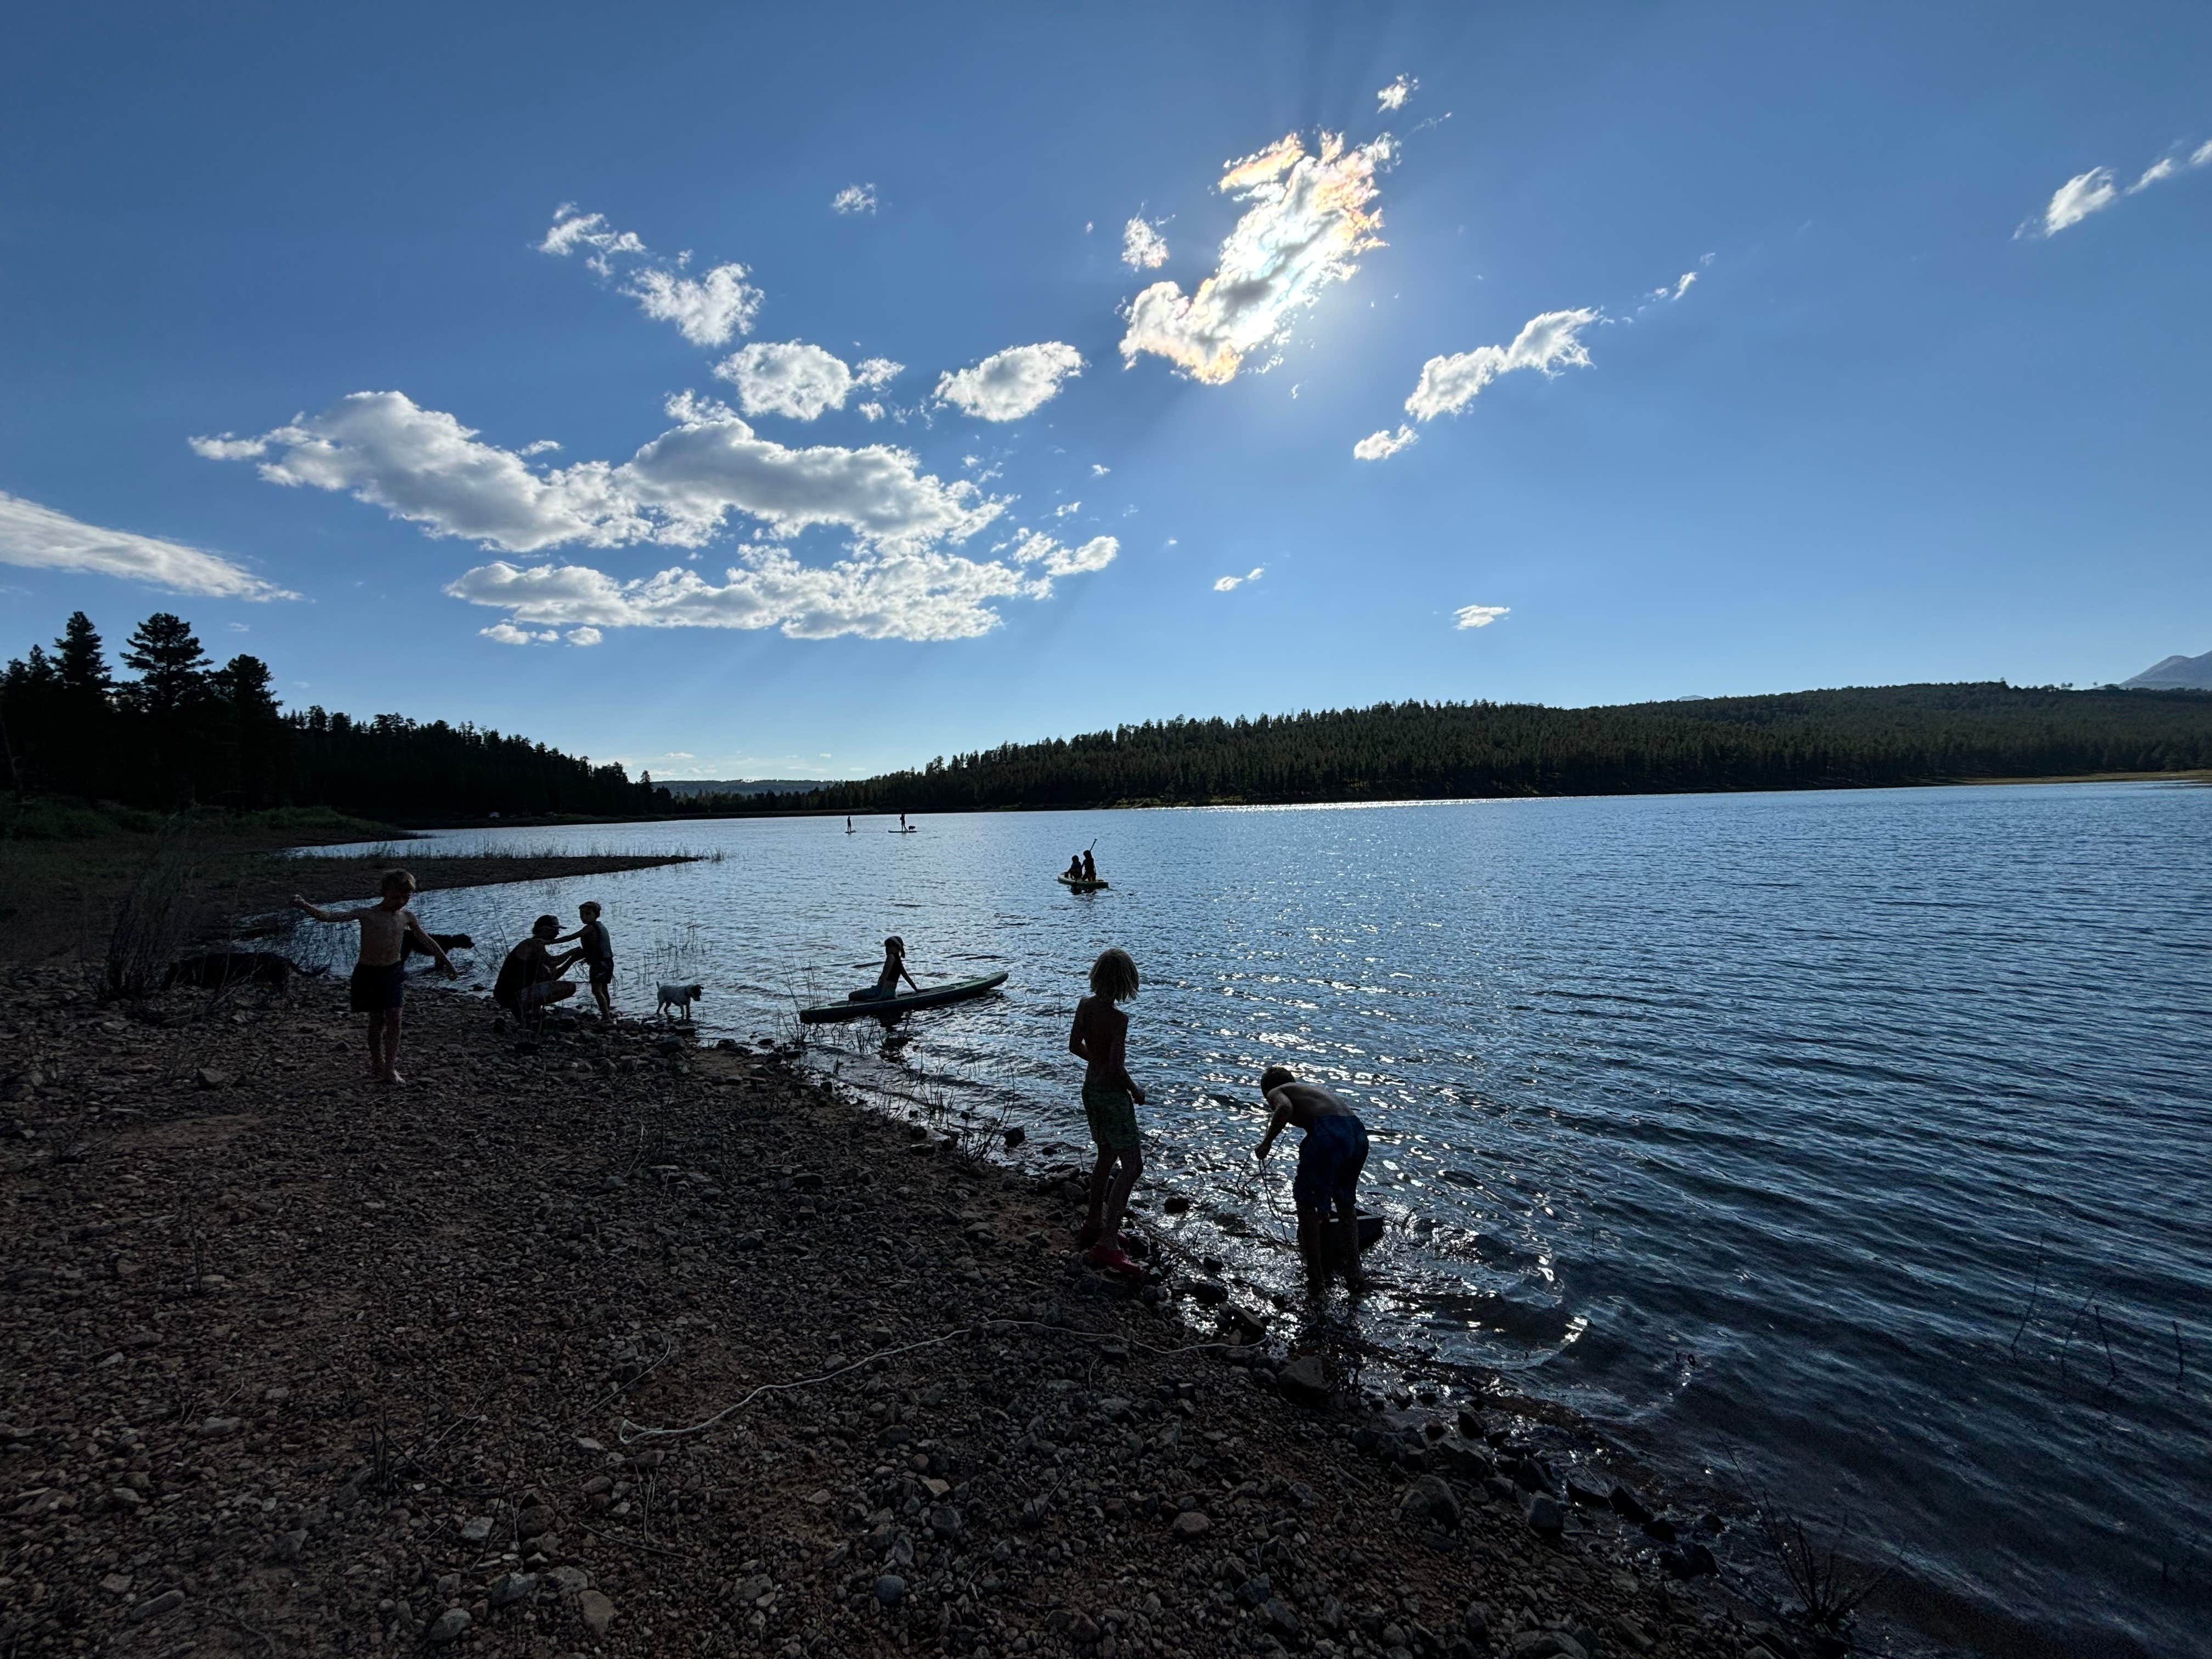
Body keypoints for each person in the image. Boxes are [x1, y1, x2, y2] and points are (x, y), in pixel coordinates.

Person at [291, 869, 457, 1086]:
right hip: (368, 973)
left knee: (395, 1019)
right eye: (395, 897)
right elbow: (330, 917)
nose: (400, 902)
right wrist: (304, 905)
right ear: (384, 893)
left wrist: (448, 963)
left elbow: (427, 941)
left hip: (393, 972)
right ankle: (377, 1062)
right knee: (377, 1022)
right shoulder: (367, 914)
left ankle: (390, 1068)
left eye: (406, 897)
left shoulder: (407, 917)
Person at [1255, 1065, 1371, 1291]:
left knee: (1306, 1203)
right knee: (1346, 1204)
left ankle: (1315, 1277)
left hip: (1330, 1133)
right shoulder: (1310, 1090)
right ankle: (1355, 1273)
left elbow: (1285, 1109)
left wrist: (1267, 1142)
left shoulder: (1276, 1091)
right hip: (1358, 1134)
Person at [1069, 947, 1145, 1271]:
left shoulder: (1085, 1006)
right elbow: (1116, 1068)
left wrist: (1095, 1060)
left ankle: (1094, 1223)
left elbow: (1075, 1046)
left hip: (1091, 1090)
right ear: (1126, 983)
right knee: (1132, 1166)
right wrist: (1135, 1089)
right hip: (1113, 1096)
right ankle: (1108, 1243)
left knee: (1104, 1157)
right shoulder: (1118, 1020)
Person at [494, 915, 584, 1019]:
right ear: (545, 930)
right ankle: (528, 1011)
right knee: (570, 987)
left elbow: (551, 978)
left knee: (548, 982)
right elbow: (553, 962)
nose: (558, 933)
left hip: (506, 996)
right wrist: (572, 953)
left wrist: (572, 960)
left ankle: (531, 1012)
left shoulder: (534, 949)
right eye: (556, 930)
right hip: (510, 996)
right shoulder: (534, 944)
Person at [555, 900, 614, 1020]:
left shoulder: (590, 928)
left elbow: (572, 937)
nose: (584, 917)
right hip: (608, 962)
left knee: (597, 990)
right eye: (582, 915)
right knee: (604, 989)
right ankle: (607, 1012)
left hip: (599, 963)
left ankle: (606, 1017)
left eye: (588, 914)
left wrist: (551, 942)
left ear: (596, 914)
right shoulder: (601, 926)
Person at [848, 935, 921, 1003]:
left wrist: (879, 997)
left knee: (851, 995)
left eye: (890, 946)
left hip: (881, 992)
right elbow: (906, 976)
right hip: (891, 993)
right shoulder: (898, 960)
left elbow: (885, 978)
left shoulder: (891, 957)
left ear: (897, 948)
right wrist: (916, 990)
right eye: (887, 946)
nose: (887, 949)